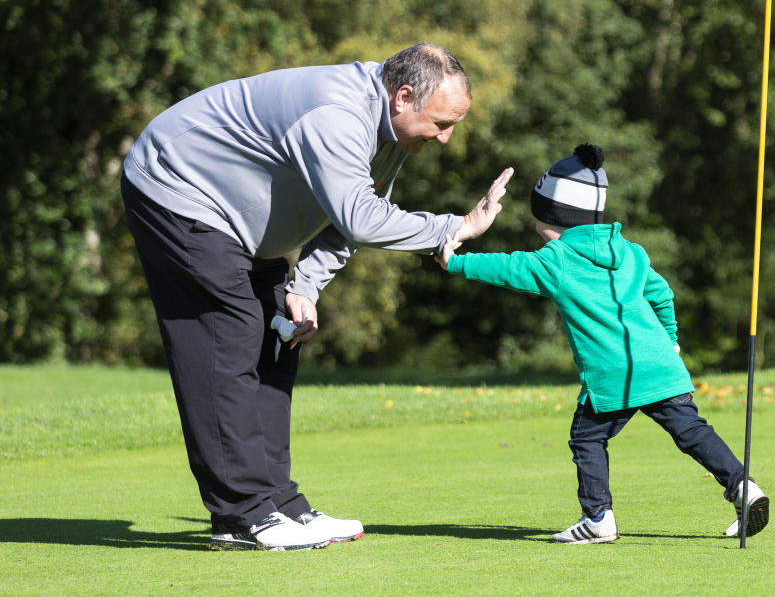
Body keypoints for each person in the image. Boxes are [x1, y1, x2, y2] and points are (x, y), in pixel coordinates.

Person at [121, 43, 513, 551]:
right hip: (176, 187)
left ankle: (278, 504)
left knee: (276, 337)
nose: (445, 138)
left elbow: (350, 219)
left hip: (241, 223)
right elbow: (360, 219)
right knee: (230, 336)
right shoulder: (337, 114)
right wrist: (453, 227)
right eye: (441, 123)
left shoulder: (391, 132)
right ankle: (241, 516)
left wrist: (303, 287)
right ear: (404, 96)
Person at [438, 143, 769, 544]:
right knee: (693, 432)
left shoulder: (554, 259)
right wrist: (672, 339)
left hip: (612, 377)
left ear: (554, 217)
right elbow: (662, 294)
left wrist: (456, 261)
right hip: (661, 363)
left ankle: (597, 518)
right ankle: (743, 489)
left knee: (587, 437)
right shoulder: (631, 252)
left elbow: (507, 267)